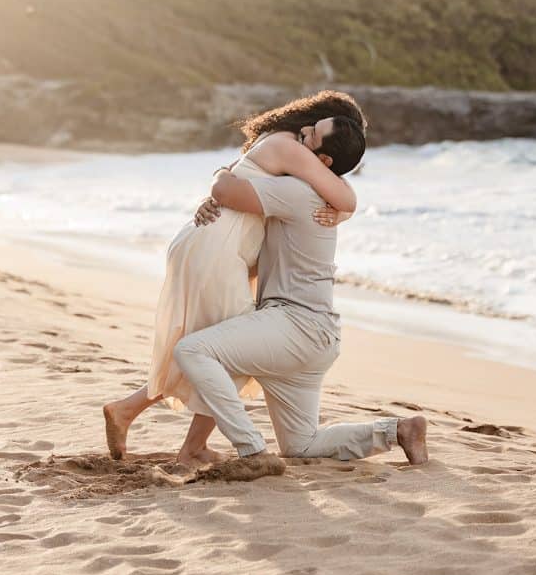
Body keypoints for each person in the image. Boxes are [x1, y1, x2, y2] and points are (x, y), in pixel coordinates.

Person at [104, 90, 371, 466]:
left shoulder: (278, 144)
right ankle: (147, 422)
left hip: (215, 246)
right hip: (219, 250)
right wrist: (341, 213)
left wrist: (221, 180)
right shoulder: (292, 146)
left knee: (216, 349)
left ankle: (151, 423)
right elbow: (344, 196)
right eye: (317, 127)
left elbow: (240, 180)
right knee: (223, 353)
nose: (308, 130)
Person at [171, 119, 429, 477]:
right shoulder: (316, 194)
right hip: (313, 334)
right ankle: (397, 430)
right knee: (300, 444)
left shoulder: (296, 192)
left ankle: (251, 450)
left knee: (192, 350)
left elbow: (228, 191)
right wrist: (209, 204)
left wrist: (217, 179)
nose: (301, 132)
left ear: (323, 161)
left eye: (310, 134)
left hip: (294, 326)